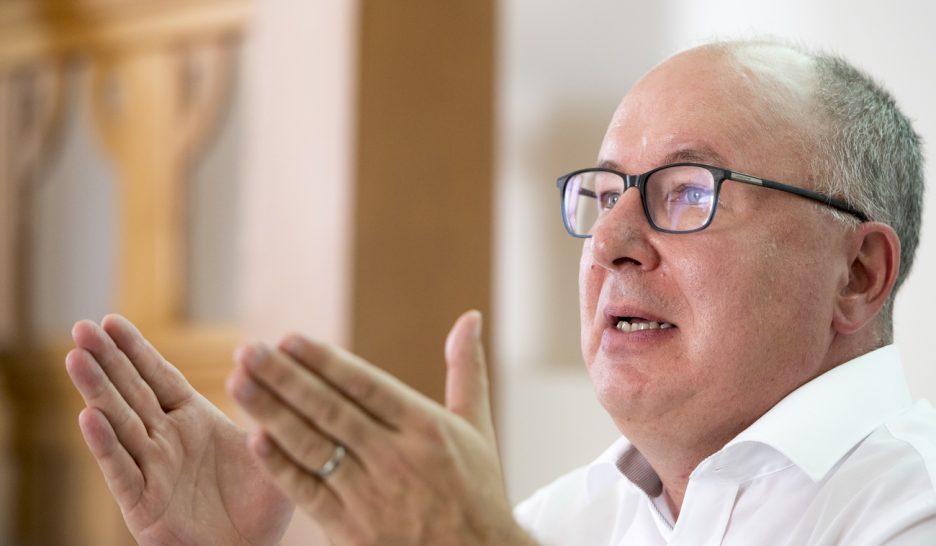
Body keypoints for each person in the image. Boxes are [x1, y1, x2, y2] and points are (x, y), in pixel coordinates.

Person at [64, 38, 933, 545]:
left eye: (686, 192)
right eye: (605, 192)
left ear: (858, 274)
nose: (610, 242)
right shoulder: (561, 520)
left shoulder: (911, 506)